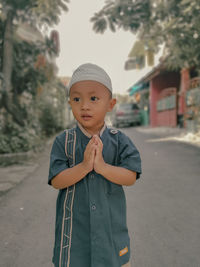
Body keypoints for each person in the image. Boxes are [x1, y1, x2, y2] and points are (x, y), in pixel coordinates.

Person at [48, 63, 142, 267]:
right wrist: (83, 167)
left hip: (111, 236)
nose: (84, 106)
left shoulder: (120, 141)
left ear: (110, 104)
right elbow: (56, 181)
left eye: (93, 98)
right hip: (73, 240)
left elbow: (131, 176)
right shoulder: (63, 142)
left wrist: (102, 167)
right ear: (69, 103)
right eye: (76, 99)